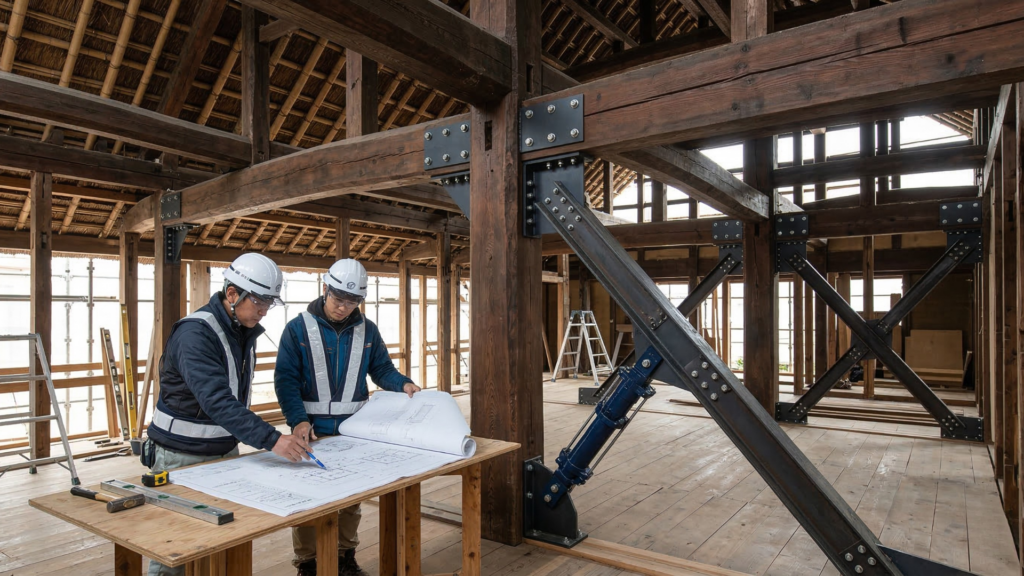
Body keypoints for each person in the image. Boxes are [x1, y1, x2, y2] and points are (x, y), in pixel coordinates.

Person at [143, 253, 313, 576]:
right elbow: (218, 402)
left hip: (222, 454)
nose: (263, 311)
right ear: (232, 294)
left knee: (217, 548)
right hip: (181, 457)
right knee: (175, 550)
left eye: (269, 304)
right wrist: (273, 439)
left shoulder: (240, 330)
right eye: (259, 302)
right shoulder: (195, 334)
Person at [275, 259, 421, 576]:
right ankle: (309, 564)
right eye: (338, 299)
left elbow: (381, 369)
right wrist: (298, 419)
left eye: (352, 301)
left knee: (352, 496)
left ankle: (344, 557)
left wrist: (403, 383)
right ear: (325, 289)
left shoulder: (367, 330)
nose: (343, 307)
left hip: (353, 433)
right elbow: (285, 379)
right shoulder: (298, 328)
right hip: (310, 432)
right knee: (309, 499)